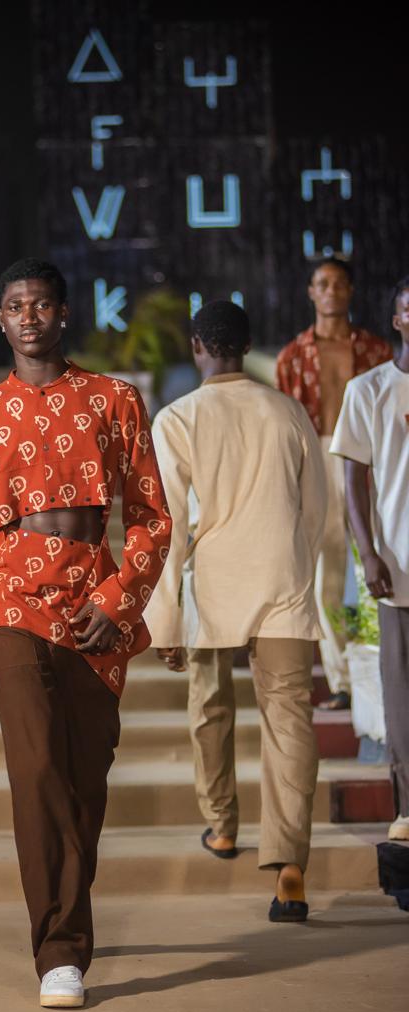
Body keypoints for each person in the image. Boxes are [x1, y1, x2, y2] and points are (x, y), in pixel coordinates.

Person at [0, 257, 172, 1007]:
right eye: (15, 306)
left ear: (64, 313)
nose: (29, 316)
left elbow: (152, 517)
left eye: (41, 303)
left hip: (95, 600)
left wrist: (121, 597)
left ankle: (67, 905)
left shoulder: (114, 398)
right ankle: (60, 952)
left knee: (84, 782)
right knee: (36, 769)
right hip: (13, 600)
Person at [145, 301, 327, 922]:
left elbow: (167, 526)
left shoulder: (177, 419)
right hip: (282, 581)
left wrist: (163, 618)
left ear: (197, 346)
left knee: (210, 705)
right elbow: (314, 508)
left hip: (212, 584)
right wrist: (296, 563)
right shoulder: (288, 410)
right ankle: (290, 865)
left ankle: (222, 825)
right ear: (248, 347)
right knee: (289, 720)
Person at [276, 258, 393, 711]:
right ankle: (342, 678)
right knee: (327, 571)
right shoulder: (292, 355)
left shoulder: (376, 350)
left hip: (368, 458)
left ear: (351, 290)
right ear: (310, 291)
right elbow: (286, 427)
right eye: (323, 283)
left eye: (340, 283)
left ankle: (381, 669)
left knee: (376, 561)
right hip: (317, 457)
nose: (331, 291)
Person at [330, 276, 409, 842]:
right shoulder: (369, 390)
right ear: (398, 319)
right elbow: (353, 482)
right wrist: (369, 553)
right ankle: (407, 809)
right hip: (399, 565)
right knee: (401, 696)